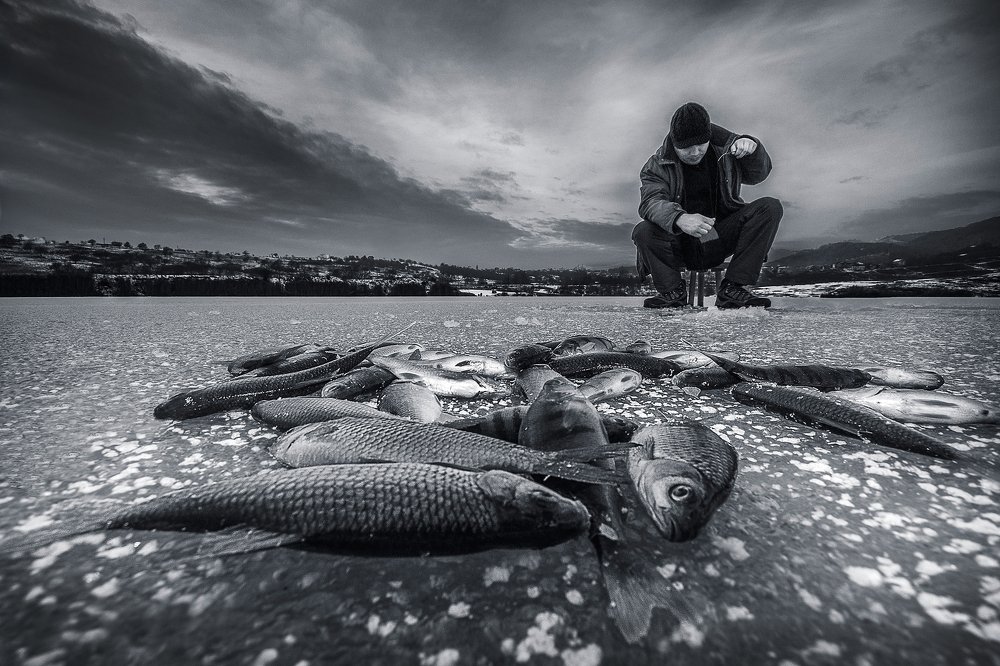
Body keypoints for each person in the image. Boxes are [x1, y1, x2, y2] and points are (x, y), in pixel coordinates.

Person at [632, 102, 782, 308]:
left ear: (709, 138)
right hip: (678, 242)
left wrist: (753, 149)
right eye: (686, 147)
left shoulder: (727, 150)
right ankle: (672, 293)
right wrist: (680, 218)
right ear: (674, 143)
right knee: (643, 230)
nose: (694, 152)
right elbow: (650, 202)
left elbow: (759, 175)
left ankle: (733, 289)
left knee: (770, 207)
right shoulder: (656, 165)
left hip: (718, 236)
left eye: (700, 145)